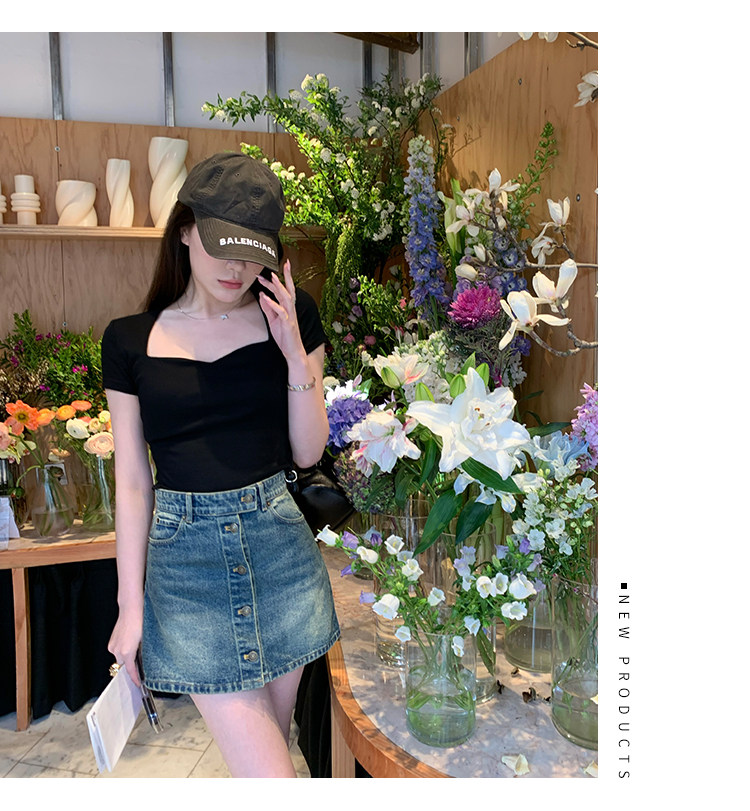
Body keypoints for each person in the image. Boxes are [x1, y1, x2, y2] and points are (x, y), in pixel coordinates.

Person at [101, 152, 339, 777]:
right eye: (223, 248)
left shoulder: (291, 315)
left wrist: (295, 356)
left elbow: (309, 452)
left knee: (271, 758)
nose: (238, 269)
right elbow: (133, 483)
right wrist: (130, 608)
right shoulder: (127, 339)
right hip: (187, 568)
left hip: (281, 550)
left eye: (252, 254)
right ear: (185, 231)